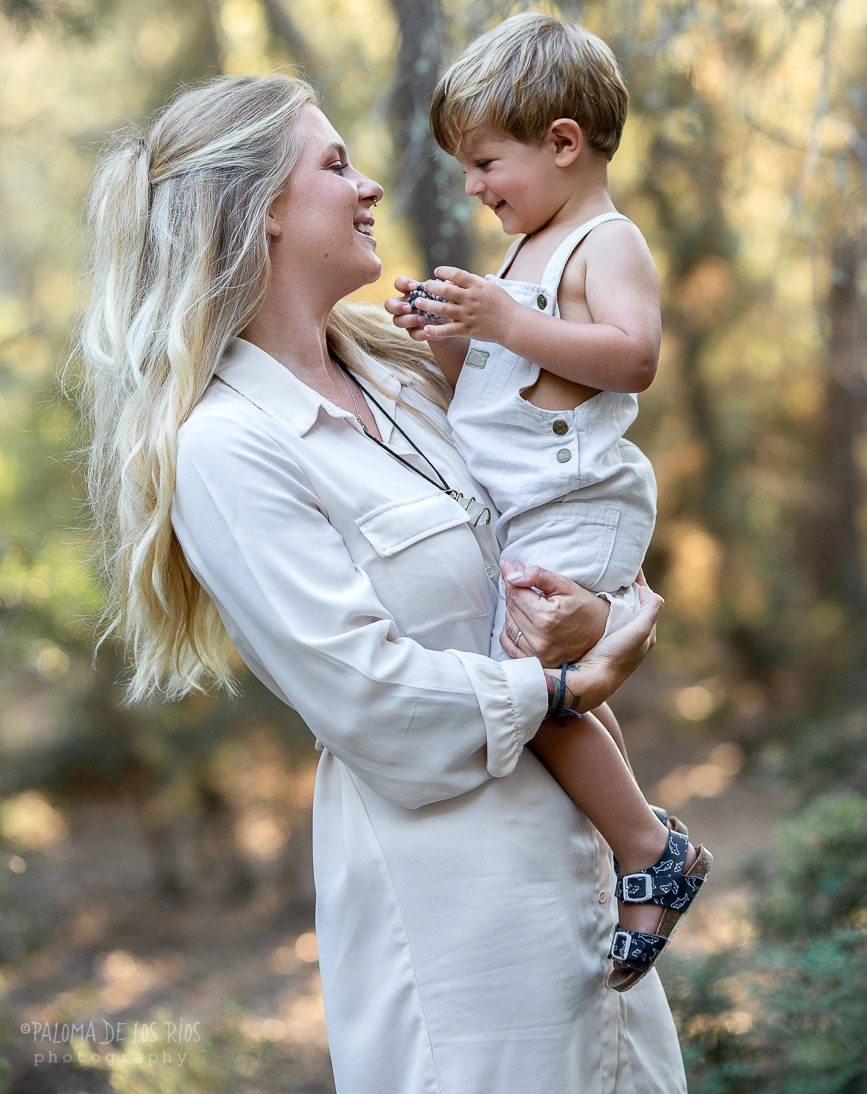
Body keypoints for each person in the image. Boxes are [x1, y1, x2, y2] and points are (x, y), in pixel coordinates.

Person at [79, 70, 688, 1092]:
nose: (368, 186)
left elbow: (551, 519)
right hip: (459, 913)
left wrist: (595, 616)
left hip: (590, 888)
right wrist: (565, 688)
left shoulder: (400, 378)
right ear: (262, 211)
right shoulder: (229, 445)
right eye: (335, 163)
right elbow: (370, 696)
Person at [386, 12, 711, 990]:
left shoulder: (603, 241)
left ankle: (649, 848)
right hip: (530, 513)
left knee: (532, 687)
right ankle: (646, 839)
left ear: (563, 142)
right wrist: (445, 330)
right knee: (549, 686)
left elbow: (634, 357)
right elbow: (482, 393)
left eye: (487, 163)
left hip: (583, 499)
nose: (478, 188)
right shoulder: (523, 256)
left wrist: (502, 319)